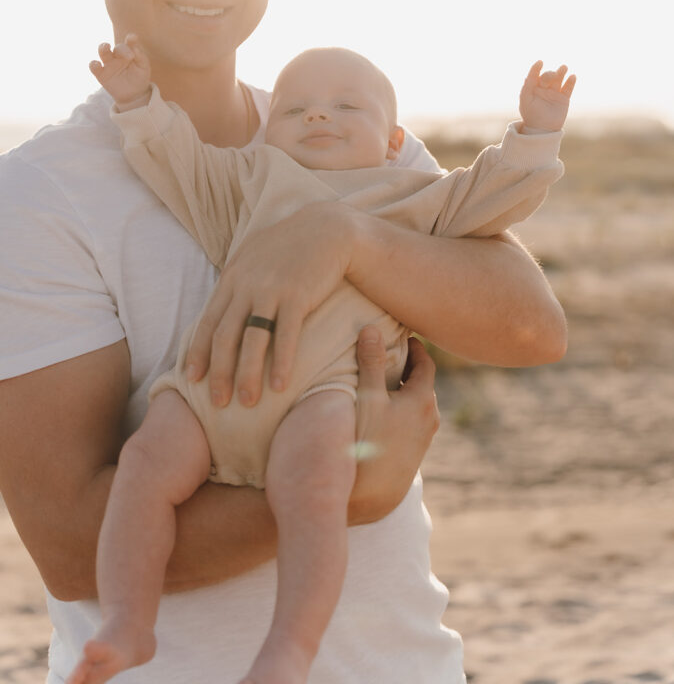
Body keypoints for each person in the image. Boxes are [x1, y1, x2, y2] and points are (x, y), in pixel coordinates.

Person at [0, 0, 568, 684]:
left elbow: (528, 325)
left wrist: (339, 238)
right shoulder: (34, 197)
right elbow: (67, 540)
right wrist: (347, 491)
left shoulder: (348, 139)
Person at [67, 36, 574, 684]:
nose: (316, 116)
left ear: (394, 140)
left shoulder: (416, 195)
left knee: (312, 494)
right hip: (208, 391)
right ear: (266, 133)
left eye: (345, 106)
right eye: (294, 108)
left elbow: (493, 192)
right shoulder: (248, 180)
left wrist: (534, 131)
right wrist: (138, 101)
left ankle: (287, 652)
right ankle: (128, 624)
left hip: (323, 395)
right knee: (141, 469)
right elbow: (178, 162)